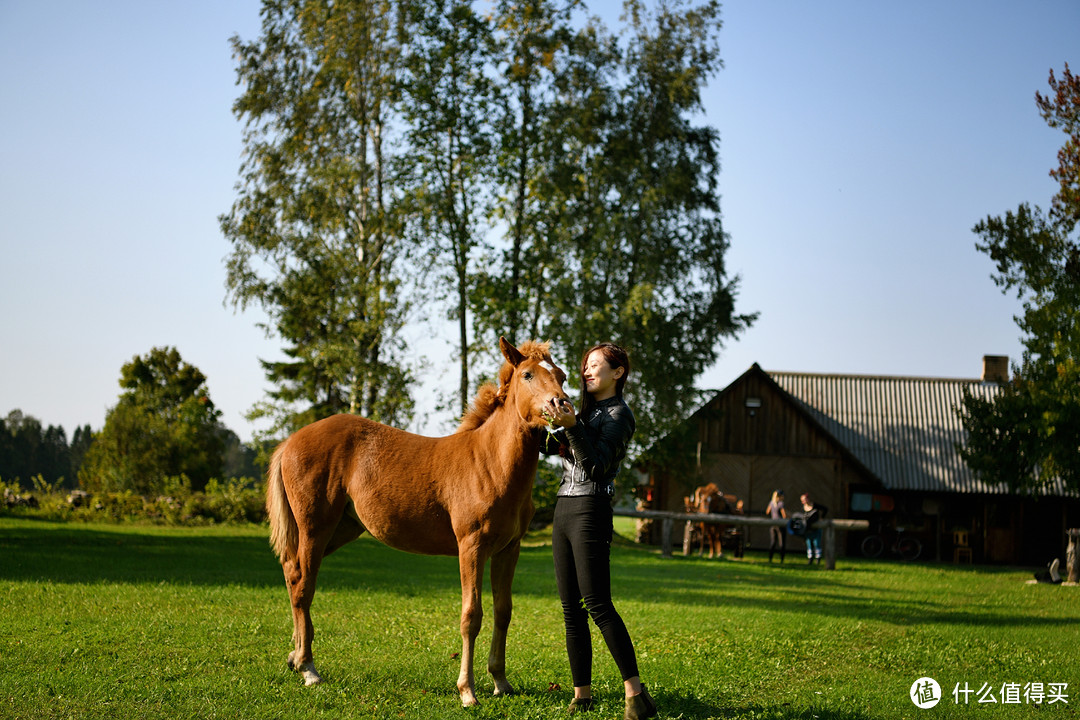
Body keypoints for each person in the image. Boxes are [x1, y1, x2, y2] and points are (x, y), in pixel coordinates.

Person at [541, 342, 657, 720]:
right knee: (569, 610)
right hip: (564, 506)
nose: (587, 372)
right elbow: (552, 448)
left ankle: (635, 695)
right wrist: (548, 421)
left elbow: (597, 467)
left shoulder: (619, 415)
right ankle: (582, 695)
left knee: (598, 605)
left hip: (591, 508)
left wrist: (572, 427)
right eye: (585, 367)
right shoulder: (586, 412)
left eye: (595, 366)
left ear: (618, 372)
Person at [800, 493, 828, 564]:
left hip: (816, 528)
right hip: (808, 529)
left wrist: (821, 518)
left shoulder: (815, 506)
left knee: (817, 544)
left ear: (808, 499)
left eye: (804, 499)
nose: (803, 501)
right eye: (802, 500)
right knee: (809, 544)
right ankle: (810, 559)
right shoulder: (803, 508)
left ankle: (818, 559)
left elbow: (825, 509)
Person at [766, 490, 787, 563]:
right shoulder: (781, 503)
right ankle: (781, 559)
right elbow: (784, 515)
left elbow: (767, 512)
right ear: (780, 496)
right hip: (780, 525)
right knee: (782, 543)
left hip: (773, 524)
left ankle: (770, 558)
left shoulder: (771, 503)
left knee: (773, 542)